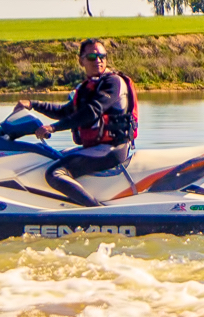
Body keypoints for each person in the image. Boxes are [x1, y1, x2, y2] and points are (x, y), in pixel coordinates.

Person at [12, 38, 139, 207]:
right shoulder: (87, 87)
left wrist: (53, 128)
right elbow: (64, 112)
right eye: (92, 56)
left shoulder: (113, 83)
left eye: (102, 56)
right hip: (96, 148)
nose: (98, 60)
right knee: (46, 158)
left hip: (112, 150)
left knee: (55, 173)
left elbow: (92, 112)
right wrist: (33, 104)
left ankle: (97, 212)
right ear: (81, 61)